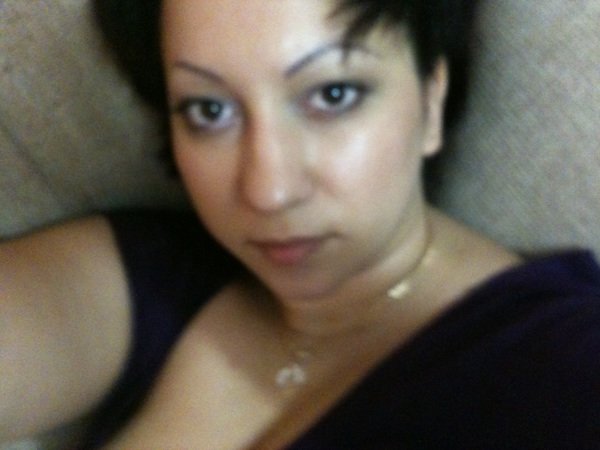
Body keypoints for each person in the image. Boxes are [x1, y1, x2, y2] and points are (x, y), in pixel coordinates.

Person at [1, 0, 599, 448]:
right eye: (210, 110)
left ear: (431, 100)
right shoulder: (151, 277)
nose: (268, 192)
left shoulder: (557, 363)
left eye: (333, 94)